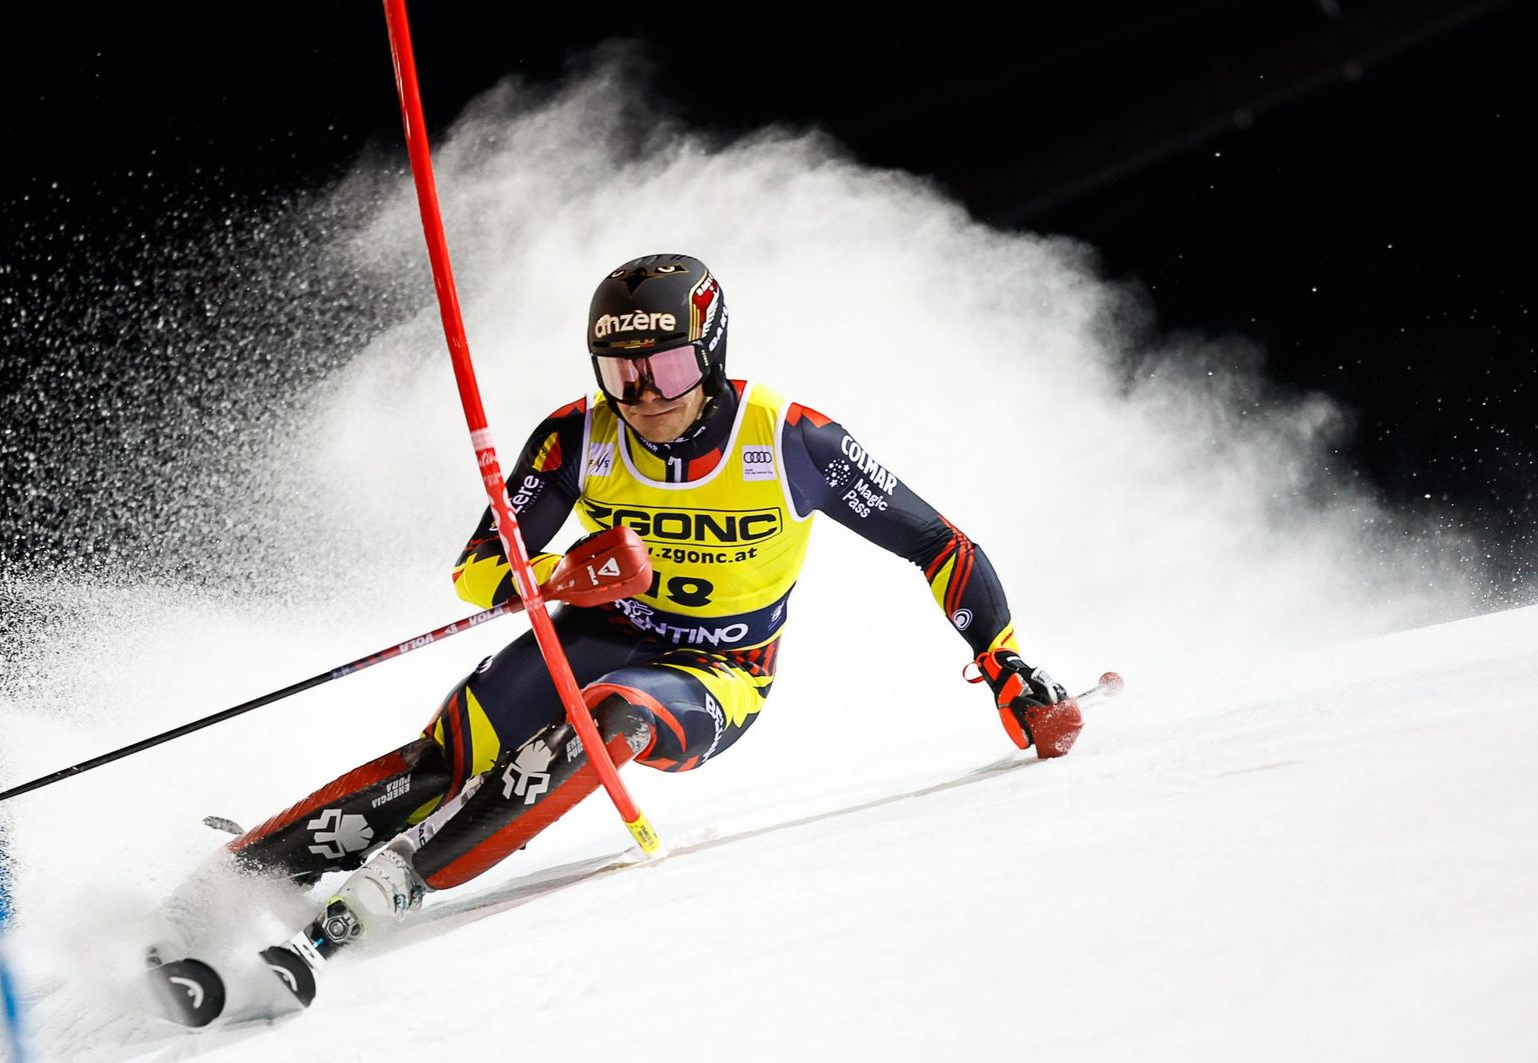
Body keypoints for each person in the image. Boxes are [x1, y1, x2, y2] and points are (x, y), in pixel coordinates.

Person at [155, 254, 1080, 1017]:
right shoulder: (576, 437)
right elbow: (478, 566)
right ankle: (233, 880)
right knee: (445, 759)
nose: (645, 394)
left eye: (668, 368)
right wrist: (556, 574)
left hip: (717, 668)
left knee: (612, 718)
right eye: (623, 374)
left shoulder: (791, 439)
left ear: (709, 355)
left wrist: (1005, 666)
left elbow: (937, 541)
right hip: (594, 630)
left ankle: (396, 882)